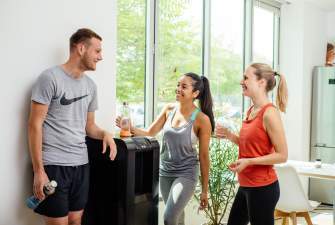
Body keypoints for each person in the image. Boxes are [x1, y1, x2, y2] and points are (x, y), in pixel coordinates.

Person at [28, 28, 117, 225]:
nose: (101, 57)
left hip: (81, 165)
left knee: (76, 220)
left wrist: (105, 133)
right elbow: (34, 125)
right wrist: (38, 171)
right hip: (54, 166)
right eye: (97, 51)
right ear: (81, 48)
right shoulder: (49, 78)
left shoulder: (91, 86)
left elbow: (90, 126)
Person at [116, 72, 214, 225]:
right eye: (178, 85)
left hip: (186, 174)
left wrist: (204, 191)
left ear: (195, 93)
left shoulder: (202, 119)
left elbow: (204, 157)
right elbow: (150, 133)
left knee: (169, 218)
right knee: (177, 218)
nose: (178, 89)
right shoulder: (169, 109)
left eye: (183, 87)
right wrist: (130, 127)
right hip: (165, 172)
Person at [216, 63, 288, 225]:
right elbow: (249, 147)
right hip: (246, 184)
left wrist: (249, 162)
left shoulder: (269, 113)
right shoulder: (251, 110)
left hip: (263, 187)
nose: (242, 81)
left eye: (246, 78)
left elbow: (282, 155)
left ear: (261, 82)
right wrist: (228, 135)